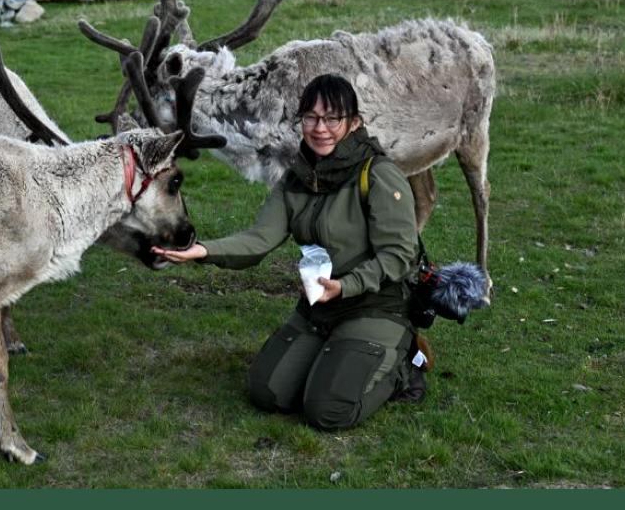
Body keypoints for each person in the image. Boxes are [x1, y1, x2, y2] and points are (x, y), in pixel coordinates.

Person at [154, 74, 426, 430]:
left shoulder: (378, 175)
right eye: (310, 117)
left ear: (354, 123)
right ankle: (335, 355)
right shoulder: (297, 178)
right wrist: (203, 251)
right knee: (268, 392)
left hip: (376, 304)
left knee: (328, 410)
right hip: (319, 305)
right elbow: (259, 239)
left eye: (332, 118)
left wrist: (346, 287)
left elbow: (399, 256)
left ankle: (404, 368)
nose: (320, 128)